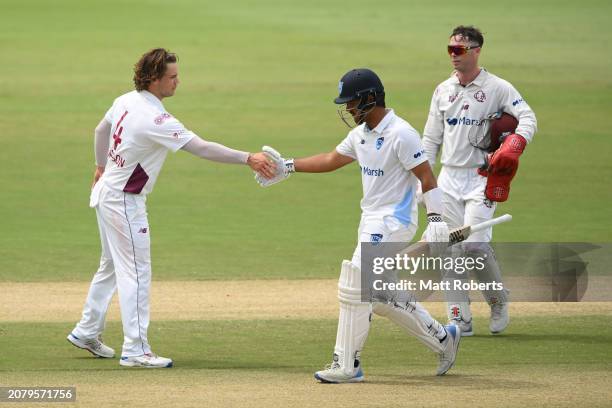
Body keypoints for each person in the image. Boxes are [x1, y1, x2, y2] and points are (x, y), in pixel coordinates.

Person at [67, 48, 275, 368]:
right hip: (124, 200)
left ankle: (87, 330)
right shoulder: (157, 118)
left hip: (107, 192)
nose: (178, 82)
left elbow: (100, 130)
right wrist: (247, 157)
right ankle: (136, 350)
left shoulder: (126, 99)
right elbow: (201, 148)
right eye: (172, 77)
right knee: (136, 272)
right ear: (153, 80)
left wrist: (99, 166)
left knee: (111, 265)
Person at [255, 68, 461, 383]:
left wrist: (436, 219)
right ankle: (443, 338)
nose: (348, 109)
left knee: (356, 279)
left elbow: (427, 177)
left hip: (396, 220)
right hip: (371, 219)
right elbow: (330, 159)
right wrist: (289, 166)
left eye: (352, 102)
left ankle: (347, 364)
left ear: (369, 98)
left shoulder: (401, 133)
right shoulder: (361, 133)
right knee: (378, 296)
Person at [422, 26, 537, 335]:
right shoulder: (442, 90)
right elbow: (430, 141)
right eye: (449, 49)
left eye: (458, 50)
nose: (453, 56)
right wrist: (424, 183)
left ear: (476, 51)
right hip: (448, 178)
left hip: (480, 178)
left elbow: (528, 118)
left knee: (473, 246)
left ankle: (498, 300)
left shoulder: (498, 88)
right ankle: (459, 317)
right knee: (448, 249)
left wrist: (515, 144)